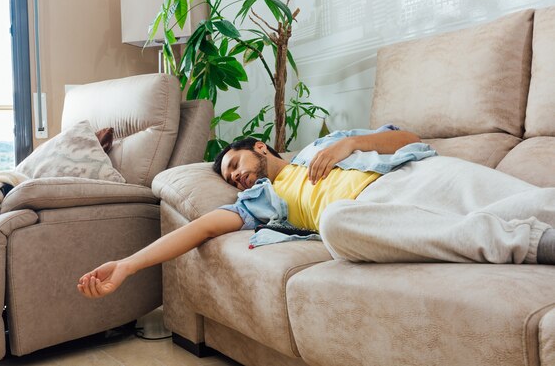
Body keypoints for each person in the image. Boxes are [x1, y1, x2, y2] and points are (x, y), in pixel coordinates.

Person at [77, 125, 555, 299]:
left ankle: (534, 231)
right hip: (378, 215)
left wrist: (352, 142)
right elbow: (201, 227)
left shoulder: (324, 145)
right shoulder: (264, 200)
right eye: (229, 178)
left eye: (236, 164)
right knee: (335, 225)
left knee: (538, 199)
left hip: (423, 177)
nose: (236, 177)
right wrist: (128, 265)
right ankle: (529, 244)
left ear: (260, 147)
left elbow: (410, 141)